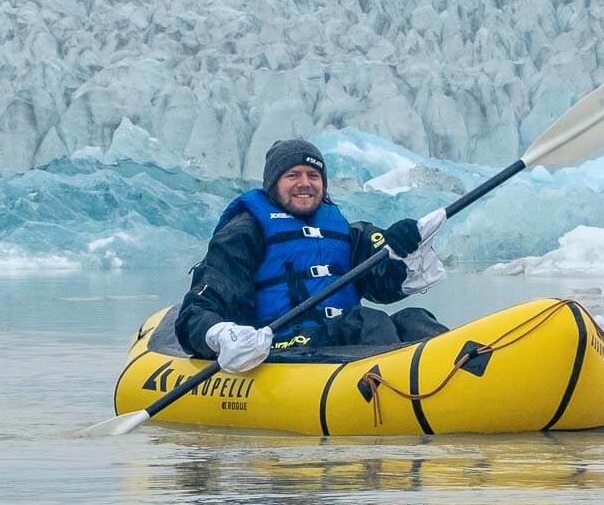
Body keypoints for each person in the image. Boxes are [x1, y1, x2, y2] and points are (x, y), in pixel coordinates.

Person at [175, 139, 449, 373]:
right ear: (273, 183)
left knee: (415, 319)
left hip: (340, 343)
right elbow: (196, 313)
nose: (304, 183)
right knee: (369, 323)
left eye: (313, 176)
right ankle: (399, 393)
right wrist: (222, 335)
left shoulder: (342, 230)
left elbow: (385, 282)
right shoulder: (244, 233)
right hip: (281, 346)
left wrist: (404, 247)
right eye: (293, 175)